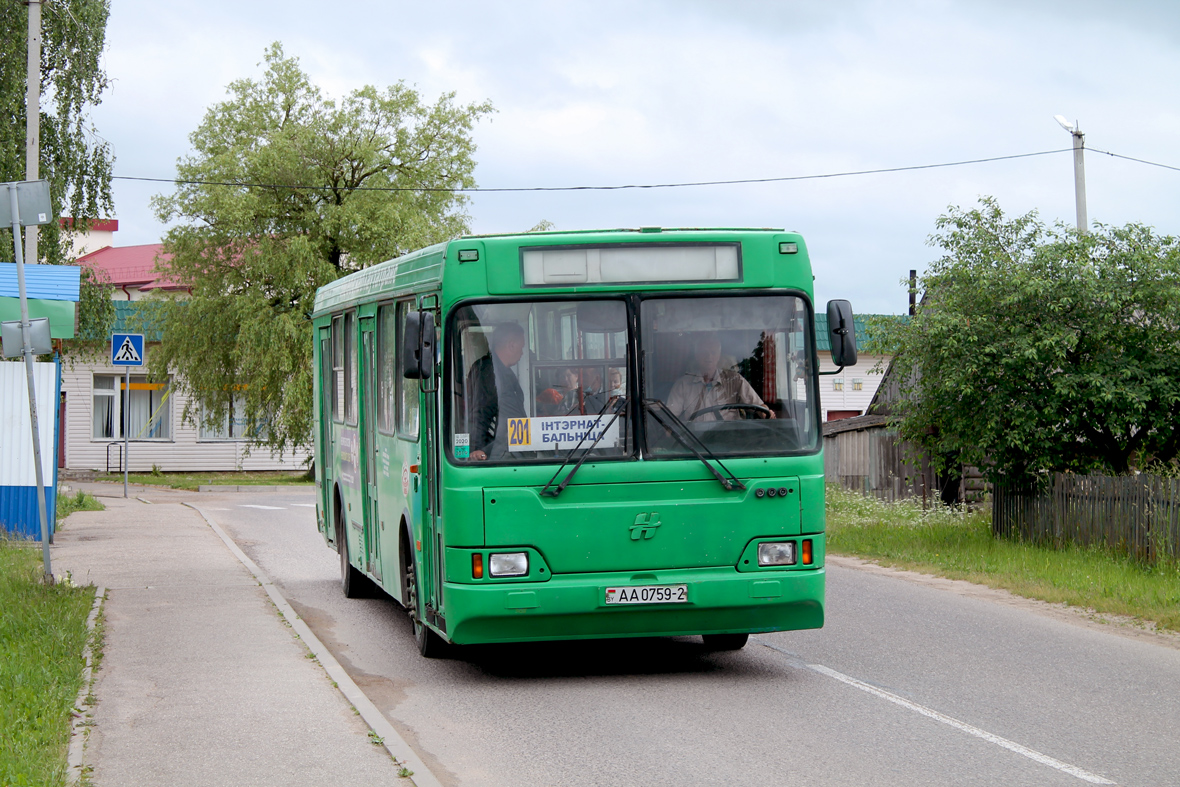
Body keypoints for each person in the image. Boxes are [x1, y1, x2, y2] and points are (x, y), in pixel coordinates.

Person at [666, 333, 774, 421]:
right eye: (704, 353)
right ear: (697, 355)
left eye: (713, 352)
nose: (709, 357)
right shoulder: (683, 384)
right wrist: (668, 430)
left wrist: (766, 412)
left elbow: (758, 406)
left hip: (729, 440)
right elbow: (670, 416)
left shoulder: (735, 380)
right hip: (694, 440)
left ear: (719, 355)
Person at [467, 323, 527, 460]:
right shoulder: (488, 372)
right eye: (521, 347)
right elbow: (479, 413)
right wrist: (478, 449)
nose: (523, 352)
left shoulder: (504, 372)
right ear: (511, 345)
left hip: (509, 447)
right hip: (496, 452)